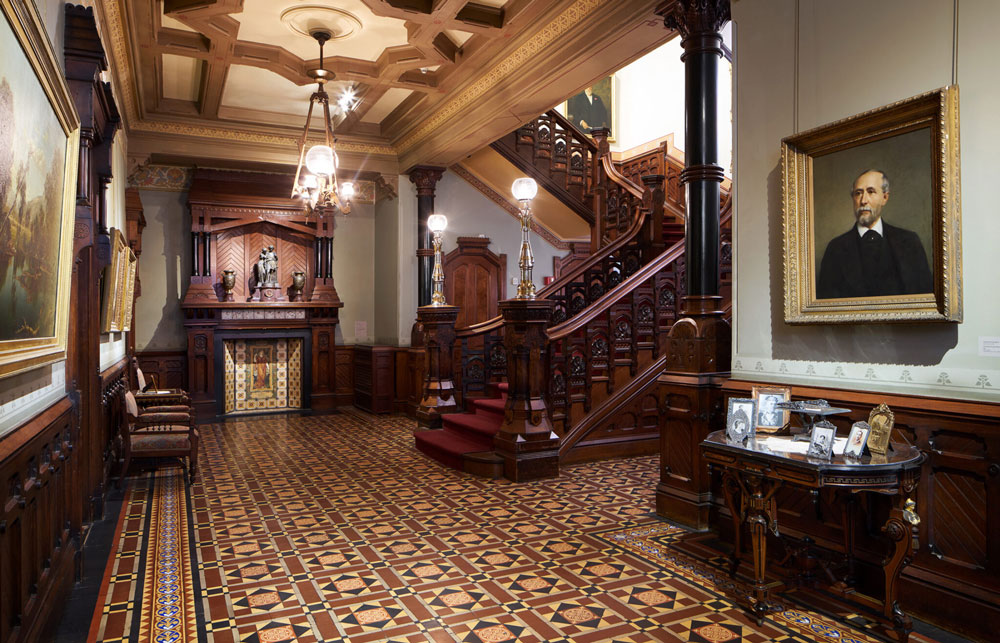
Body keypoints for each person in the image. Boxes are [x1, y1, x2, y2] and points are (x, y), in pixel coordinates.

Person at [816, 169, 933, 299]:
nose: (863, 200)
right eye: (858, 193)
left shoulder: (910, 242)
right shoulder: (835, 249)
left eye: (871, 192)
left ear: (885, 198)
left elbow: (925, 298)